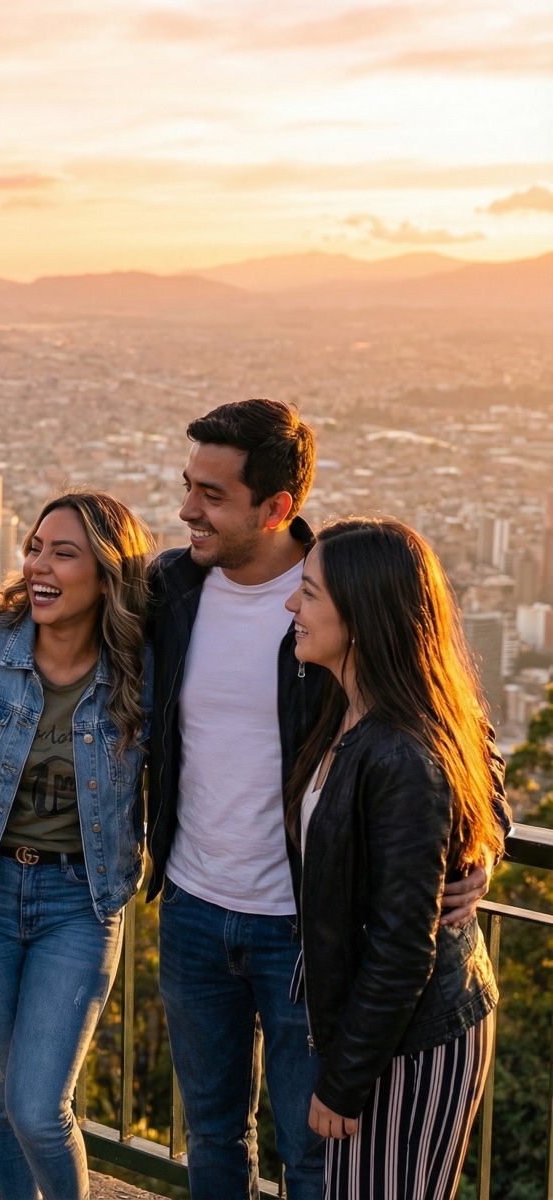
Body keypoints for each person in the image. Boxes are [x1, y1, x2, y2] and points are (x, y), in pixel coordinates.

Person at [142, 399, 503, 1198]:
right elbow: (59, 595)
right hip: (194, 911)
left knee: (315, 1152)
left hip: (308, 931)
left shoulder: (344, 592)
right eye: (187, 484)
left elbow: (457, 735)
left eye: (211, 494)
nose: (185, 510)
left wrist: (479, 843)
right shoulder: (169, 589)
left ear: (276, 507)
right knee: (210, 1134)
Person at [0, 490, 152, 1200]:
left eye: (65, 552)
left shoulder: (143, 671)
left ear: (107, 573)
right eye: (35, 548)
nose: (41, 565)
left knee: (36, 1106)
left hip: (78, 903)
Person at [285, 517, 503, 1198]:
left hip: (414, 1037)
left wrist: (343, 1085)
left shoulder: (402, 754)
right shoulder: (346, 707)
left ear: (363, 615)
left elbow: (402, 946)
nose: (293, 606)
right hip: (377, 1028)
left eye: (310, 593)